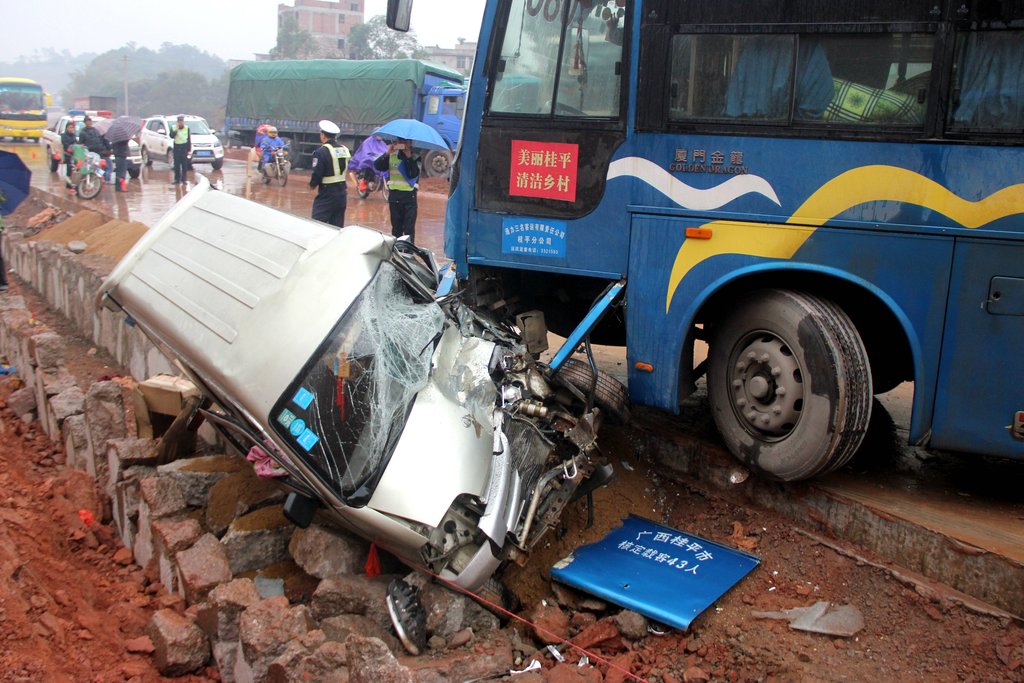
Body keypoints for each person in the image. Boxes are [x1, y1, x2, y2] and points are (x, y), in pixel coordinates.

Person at [373, 138, 421, 243]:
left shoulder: (415, 156)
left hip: (409, 197)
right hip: (395, 197)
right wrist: (387, 153)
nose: (402, 144)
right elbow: (377, 166)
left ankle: (408, 253)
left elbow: (413, 174)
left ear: (410, 143)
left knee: (409, 229)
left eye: (405, 142)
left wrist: (408, 157)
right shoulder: (392, 155)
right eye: (400, 142)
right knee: (396, 228)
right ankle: (396, 251)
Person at [309, 119, 350, 227]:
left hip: (327, 193)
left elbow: (317, 172)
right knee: (336, 226)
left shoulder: (321, 151)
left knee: (317, 224)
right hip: (342, 193)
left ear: (323, 135)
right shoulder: (344, 149)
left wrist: (312, 184)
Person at [77, 116, 112, 183]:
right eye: (87, 121)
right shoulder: (83, 133)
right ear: (85, 122)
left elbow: (102, 140)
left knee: (104, 167)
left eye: (90, 121)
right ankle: (98, 180)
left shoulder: (96, 130)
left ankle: (103, 180)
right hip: (91, 154)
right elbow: (80, 144)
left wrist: (108, 149)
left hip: (100, 152)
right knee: (95, 168)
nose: (89, 122)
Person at [169, 115, 192, 185]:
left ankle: (184, 179)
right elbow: (171, 136)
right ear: (177, 122)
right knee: (177, 165)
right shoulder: (174, 128)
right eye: (180, 121)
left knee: (184, 165)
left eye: (182, 121)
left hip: (184, 148)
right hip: (177, 147)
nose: (181, 123)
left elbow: (188, 139)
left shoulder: (187, 128)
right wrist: (176, 130)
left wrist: (189, 149)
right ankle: (177, 179)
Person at [60, 121, 78, 191]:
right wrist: (71, 148)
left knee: (76, 170)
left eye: (72, 127)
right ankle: (68, 185)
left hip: (75, 155)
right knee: (69, 170)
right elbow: (65, 144)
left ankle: (75, 184)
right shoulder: (64, 136)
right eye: (70, 127)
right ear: (67, 128)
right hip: (68, 155)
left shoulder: (74, 135)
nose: (71, 129)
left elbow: (77, 143)